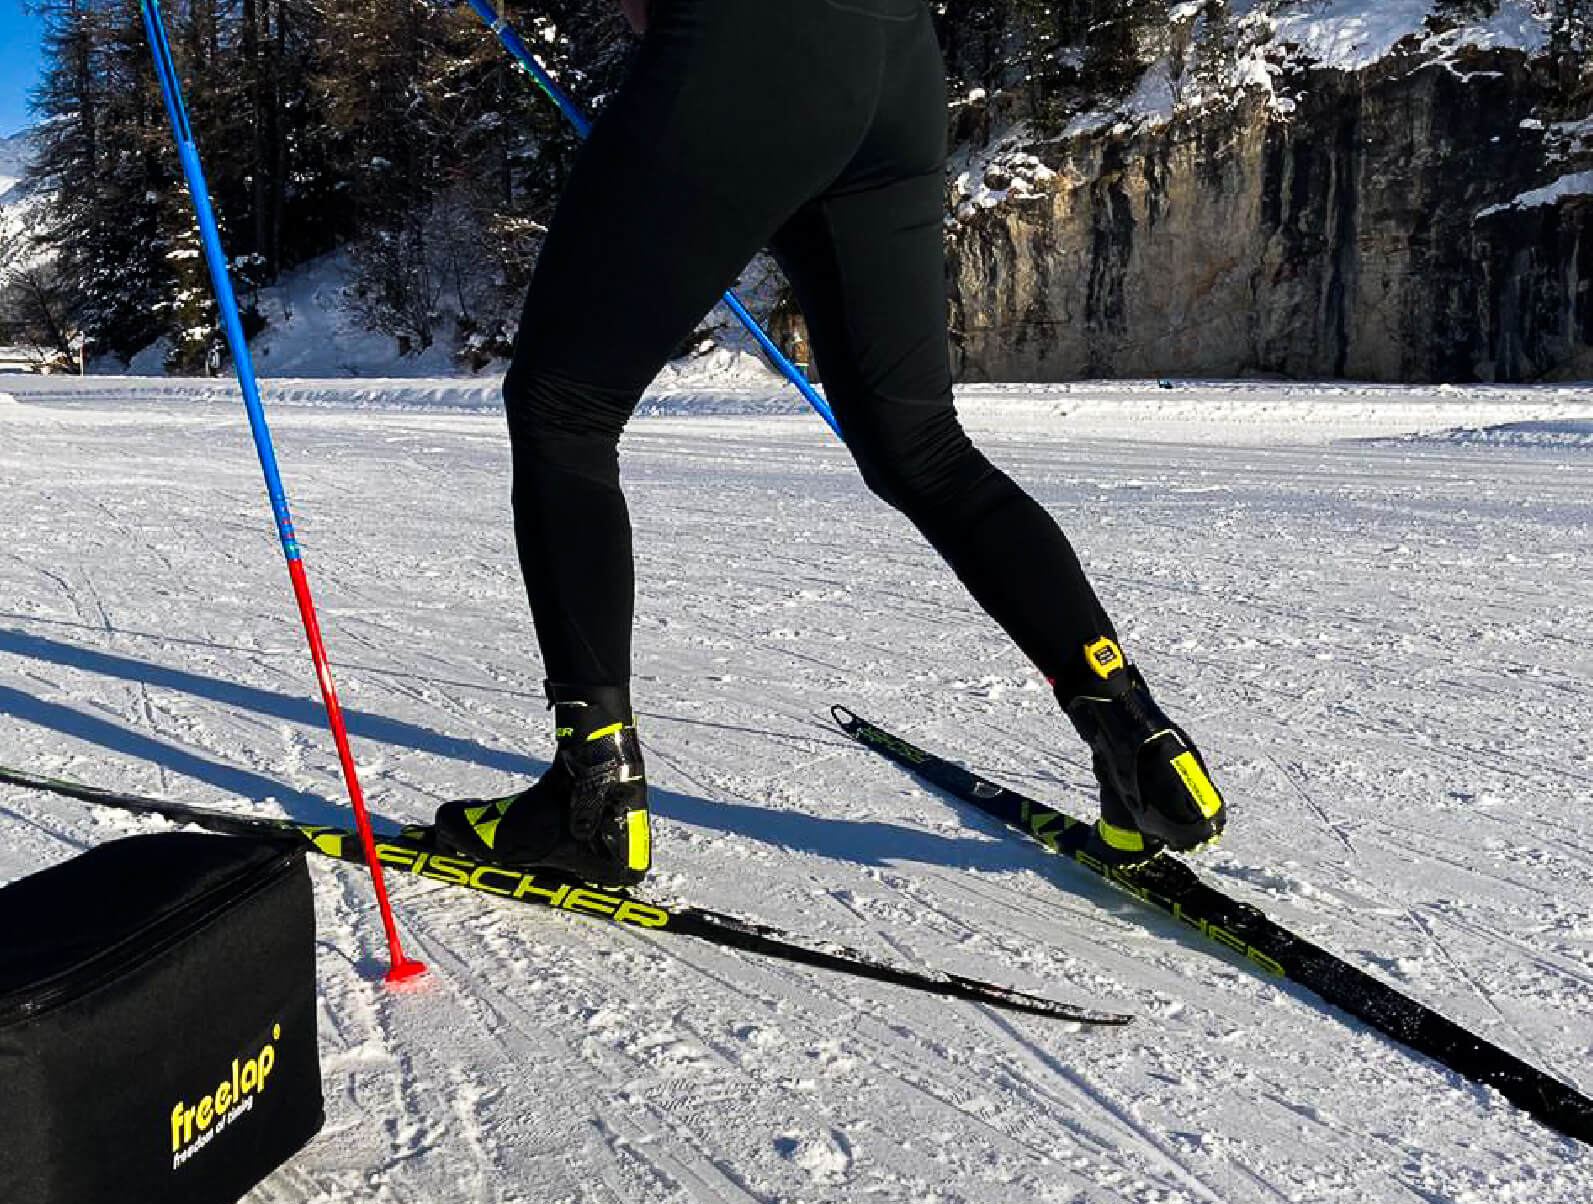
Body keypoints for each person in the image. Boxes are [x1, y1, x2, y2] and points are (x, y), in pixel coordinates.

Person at [434, 0, 1225, 885]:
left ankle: (593, 804)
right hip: (894, 58)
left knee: (562, 409)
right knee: (920, 445)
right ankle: (1136, 746)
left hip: (749, 46)